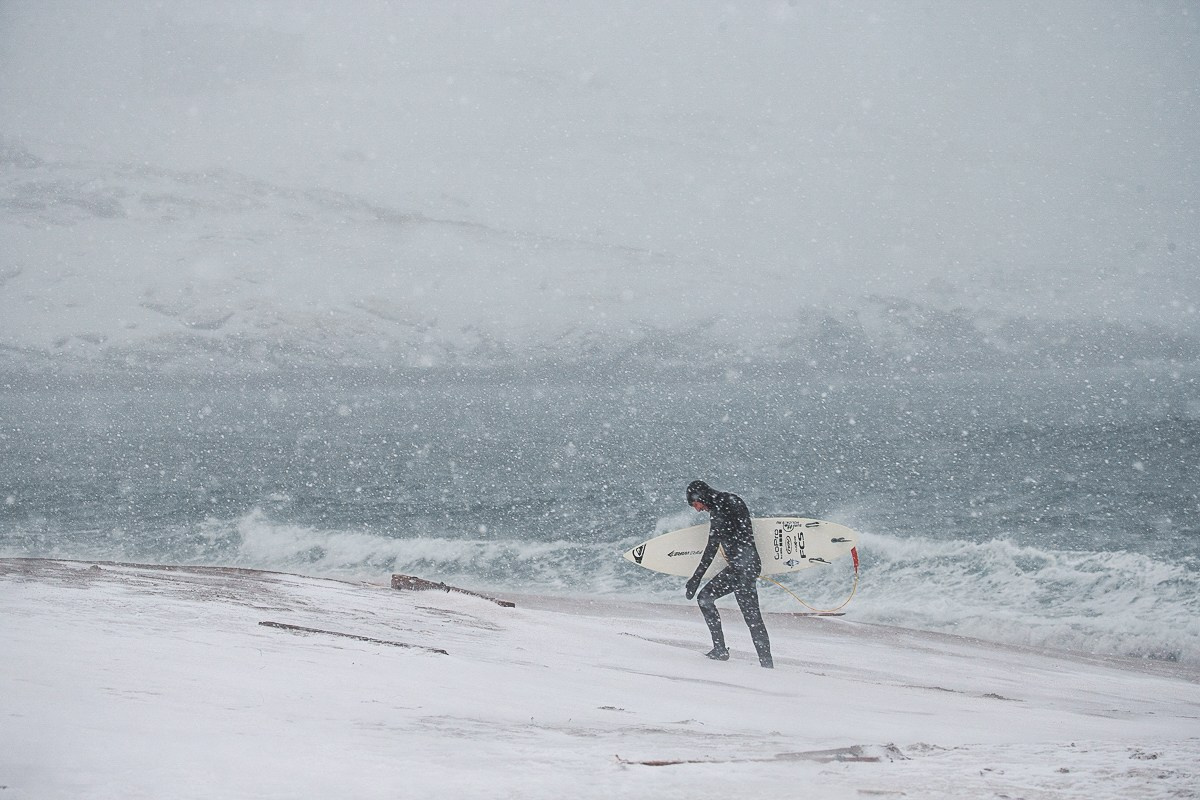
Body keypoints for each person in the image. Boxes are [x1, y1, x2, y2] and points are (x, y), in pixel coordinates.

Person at [684, 480, 773, 668]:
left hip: (742, 568)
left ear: (700, 496)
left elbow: (711, 547)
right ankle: (722, 650)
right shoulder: (730, 500)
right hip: (744, 565)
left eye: (695, 504)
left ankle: (766, 664)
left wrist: (696, 578)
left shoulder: (720, 509)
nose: (697, 509)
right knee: (706, 599)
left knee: (751, 617)